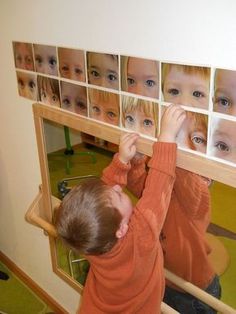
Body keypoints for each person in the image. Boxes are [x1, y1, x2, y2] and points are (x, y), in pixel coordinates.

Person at [55, 104, 186, 314]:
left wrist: (122, 161)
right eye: (118, 195)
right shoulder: (140, 234)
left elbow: (102, 196)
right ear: (122, 229)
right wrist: (166, 137)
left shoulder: (90, 239)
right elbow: (158, 188)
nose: (117, 187)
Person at [126, 111, 221, 314]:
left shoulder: (197, 195)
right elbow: (140, 188)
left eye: (195, 140)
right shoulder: (166, 182)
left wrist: (170, 144)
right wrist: (137, 161)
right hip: (165, 278)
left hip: (195, 289)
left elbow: (189, 183)